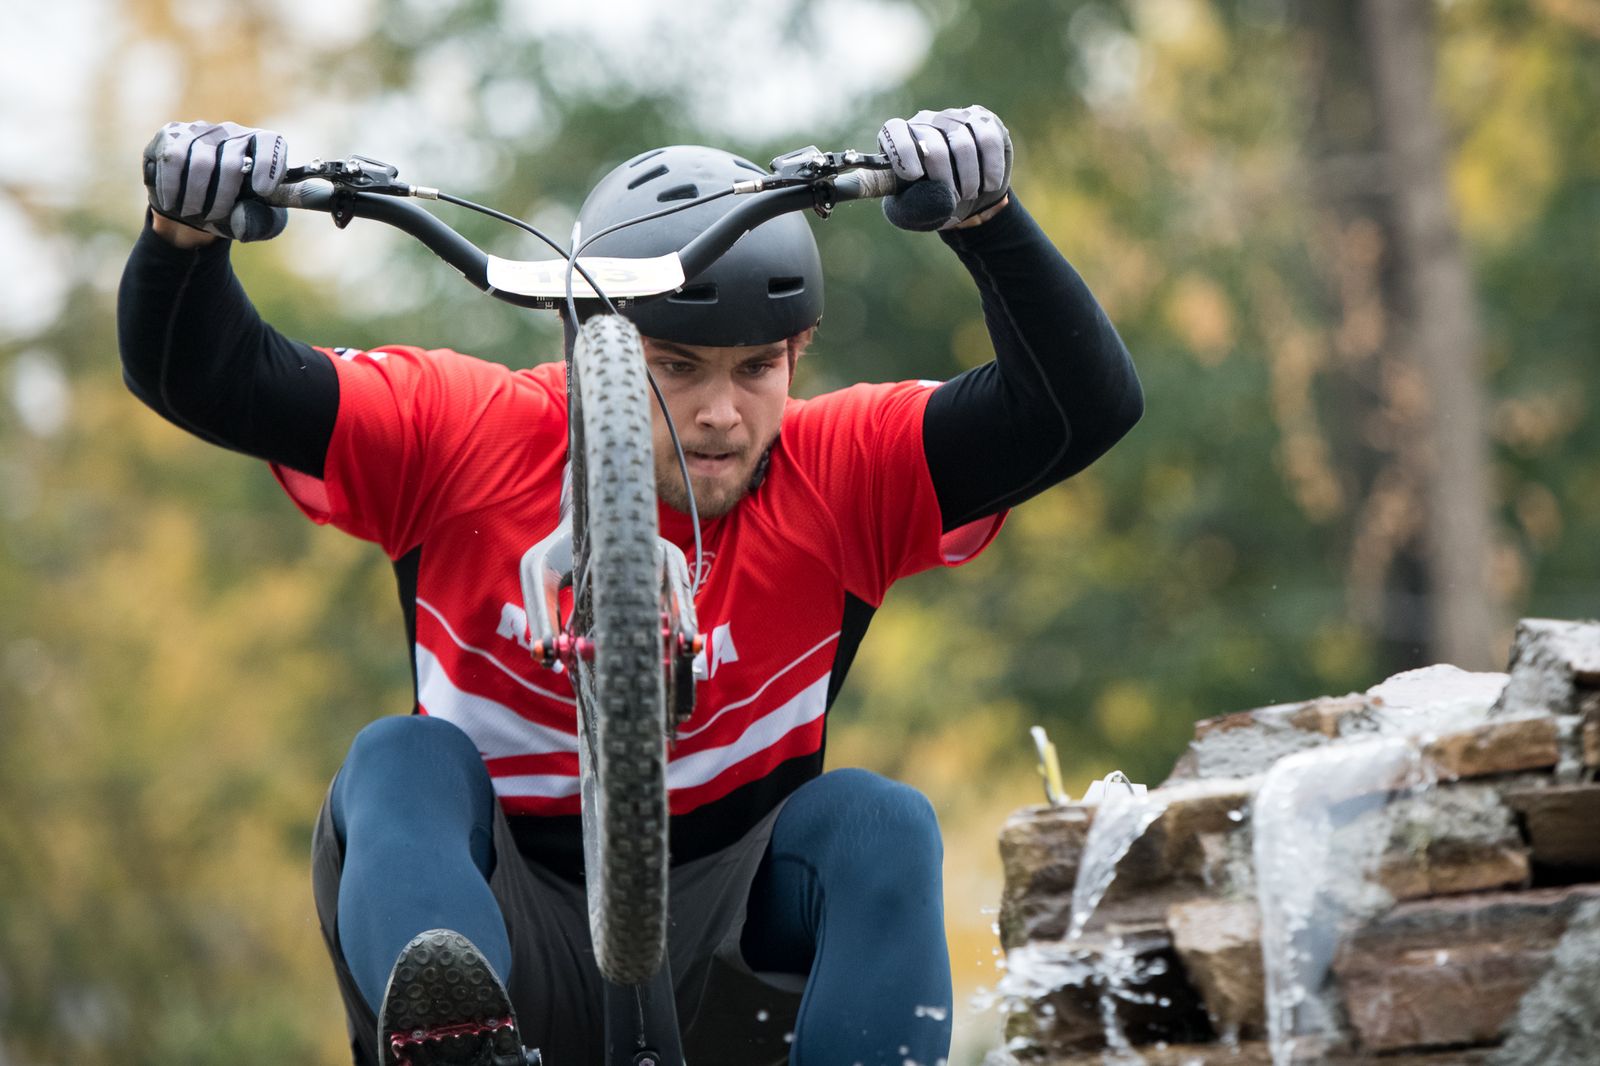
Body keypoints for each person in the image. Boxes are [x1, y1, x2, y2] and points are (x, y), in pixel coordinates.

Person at [119, 106, 1143, 1066]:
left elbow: (1080, 407)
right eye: (677, 366)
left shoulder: (844, 470)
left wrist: (987, 221)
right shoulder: (458, 435)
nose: (720, 414)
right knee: (398, 758)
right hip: (499, 915)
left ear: (798, 354)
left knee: (879, 819)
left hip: (727, 946)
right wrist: (184, 238)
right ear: (587, 347)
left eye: (756, 368)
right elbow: (203, 374)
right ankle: (456, 1043)